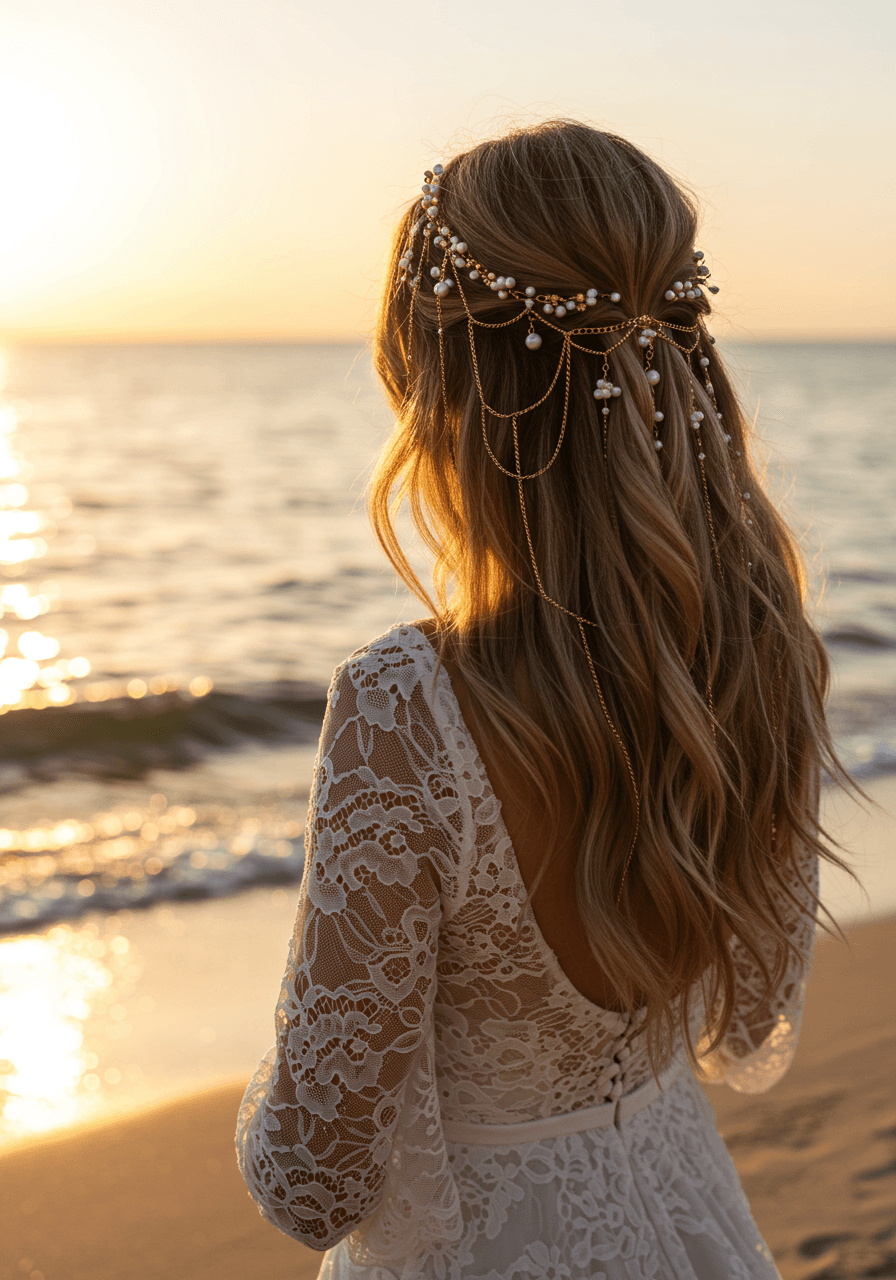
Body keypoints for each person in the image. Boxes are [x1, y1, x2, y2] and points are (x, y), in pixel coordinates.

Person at [236, 120, 853, 1279]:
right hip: (685, 1224)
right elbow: (748, 1014)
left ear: (442, 395)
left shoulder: (404, 708)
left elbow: (311, 1179)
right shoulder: (760, 651)